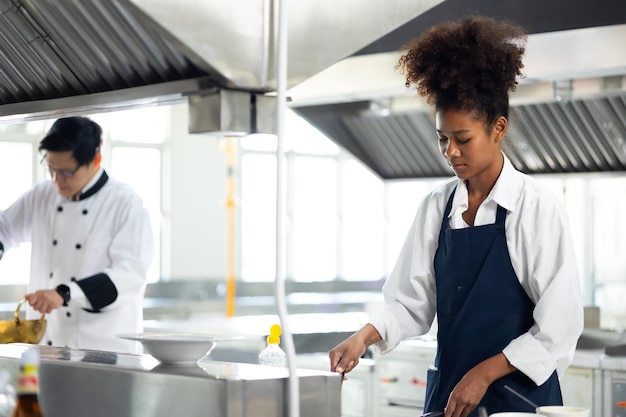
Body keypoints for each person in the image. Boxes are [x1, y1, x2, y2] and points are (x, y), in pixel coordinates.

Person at [329, 15, 583, 417]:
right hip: (451, 397)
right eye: (442, 139)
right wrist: (363, 337)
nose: (450, 152)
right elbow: (410, 304)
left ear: (498, 129)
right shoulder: (437, 207)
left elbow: (559, 327)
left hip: (518, 401)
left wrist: (483, 374)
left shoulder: (536, 207)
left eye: (462, 139)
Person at [0, 116, 154, 354]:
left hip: (104, 352)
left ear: (96, 159)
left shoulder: (126, 204)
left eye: (67, 172)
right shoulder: (42, 195)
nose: (57, 180)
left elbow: (129, 276)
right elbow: (5, 228)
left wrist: (65, 293)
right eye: (51, 168)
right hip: (47, 348)